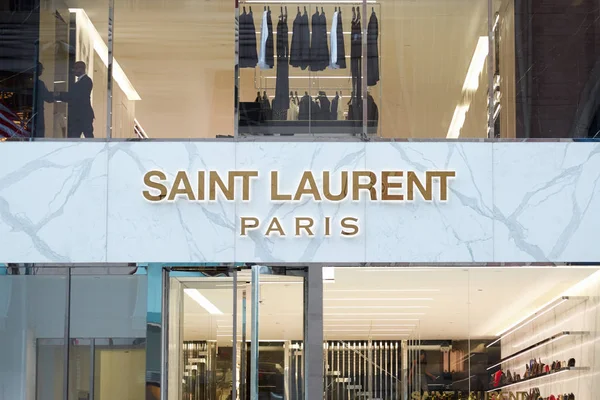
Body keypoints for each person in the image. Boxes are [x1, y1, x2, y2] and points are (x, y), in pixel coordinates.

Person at [57, 61, 95, 138]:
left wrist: (59, 95)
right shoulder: (82, 81)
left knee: (87, 136)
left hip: (83, 115)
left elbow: (75, 96)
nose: (73, 70)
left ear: (81, 69)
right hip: (80, 115)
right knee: (76, 136)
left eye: (75, 68)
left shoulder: (86, 81)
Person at [33, 62, 54, 138]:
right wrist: (58, 95)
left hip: (29, 112)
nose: (42, 71)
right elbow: (48, 98)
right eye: (41, 69)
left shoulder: (26, 82)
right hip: (38, 112)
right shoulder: (39, 83)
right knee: (39, 132)